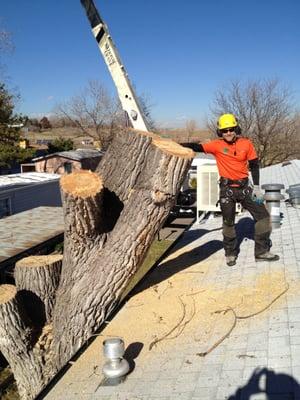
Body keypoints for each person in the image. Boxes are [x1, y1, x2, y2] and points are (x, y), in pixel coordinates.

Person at [182, 113, 279, 266]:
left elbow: (254, 165)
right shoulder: (216, 145)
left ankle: (261, 252)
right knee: (228, 223)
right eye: (225, 130)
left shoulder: (246, 143)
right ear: (220, 132)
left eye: (231, 129)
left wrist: (258, 187)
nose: (228, 133)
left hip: (246, 188)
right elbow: (197, 146)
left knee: (264, 218)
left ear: (236, 129)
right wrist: (176, 145)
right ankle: (230, 253)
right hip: (227, 190)